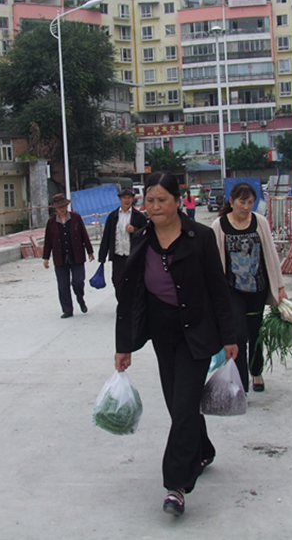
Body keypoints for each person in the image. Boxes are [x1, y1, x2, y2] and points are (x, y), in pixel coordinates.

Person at [114, 172, 238, 517]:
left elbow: (218, 288)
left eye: (162, 200)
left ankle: (176, 485)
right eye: (150, 201)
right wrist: (123, 345)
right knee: (177, 404)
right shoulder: (141, 238)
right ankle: (203, 450)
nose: (155, 207)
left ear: (178, 201)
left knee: (183, 407)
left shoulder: (200, 237)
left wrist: (229, 336)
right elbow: (130, 296)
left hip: (196, 332)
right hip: (162, 333)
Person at [211, 182, 287, 393]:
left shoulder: (259, 222)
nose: (246, 207)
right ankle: (241, 384)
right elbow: (214, 260)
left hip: (257, 289)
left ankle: (257, 372)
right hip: (232, 290)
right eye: (242, 202)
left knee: (255, 334)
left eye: (250, 202)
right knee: (238, 335)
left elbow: (271, 254)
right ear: (231, 201)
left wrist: (280, 286)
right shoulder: (219, 225)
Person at [42, 193, 95, 318]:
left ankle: (80, 299)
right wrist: (46, 257)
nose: (62, 209)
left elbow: (84, 235)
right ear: (55, 208)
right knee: (63, 285)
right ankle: (67, 309)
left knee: (78, 281)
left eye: (63, 206)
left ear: (67, 206)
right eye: (59, 207)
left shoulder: (76, 218)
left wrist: (90, 251)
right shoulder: (51, 222)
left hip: (76, 255)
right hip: (60, 258)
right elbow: (48, 241)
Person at [98, 188, 148, 292]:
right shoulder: (113, 216)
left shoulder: (139, 216)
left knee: (134, 283)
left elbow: (146, 234)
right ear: (120, 199)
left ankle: (132, 301)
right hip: (118, 256)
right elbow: (106, 236)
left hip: (133, 256)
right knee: (117, 282)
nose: (127, 200)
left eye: (129, 198)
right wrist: (102, 257)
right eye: (124, 198)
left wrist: (135, 230)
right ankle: (121, 301)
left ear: (132, 199)